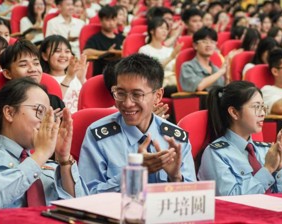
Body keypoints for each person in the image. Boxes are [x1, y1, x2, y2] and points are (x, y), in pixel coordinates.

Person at [0, 77, 88, 208]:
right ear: (10, 113)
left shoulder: (49, 163)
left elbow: (84, 208)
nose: (46, 121)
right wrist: (40, 155)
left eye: (48, 115)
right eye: (39, 111)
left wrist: (64, 160)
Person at [79, 53, 196, 194]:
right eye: (120, 93)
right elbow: (86, 195)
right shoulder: (98, 136)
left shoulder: (176, 139)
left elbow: (191, 198)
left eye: (137, 94)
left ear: (157, 96)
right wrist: (133, 173)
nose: (127, 103)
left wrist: (176, 178)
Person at [197, 81, 282, 196]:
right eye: (256, 107)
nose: (262, 113)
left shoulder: (266, 151)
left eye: (263, 107)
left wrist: (279, 167)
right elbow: (231, 201)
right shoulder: (216, 154)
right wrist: (267, 169)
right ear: (234, 112)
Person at [0, 40, 65, 111]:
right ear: (8, 74)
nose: (33, 69)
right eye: (23, 65)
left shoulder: (55, 102)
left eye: (36, 63)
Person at [39, 35, 87, 113]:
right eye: (57, 51)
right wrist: (68, 77)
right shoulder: (43, 80)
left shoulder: (75, 75)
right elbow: (53, 104)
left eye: (67, 51)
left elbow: (87, 100)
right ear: (45, 56)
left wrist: (82, 79)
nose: (63, 55)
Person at [138, 17, 182, 96]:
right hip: (156, 84)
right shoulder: (144, 50)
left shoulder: (170, 50)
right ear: (151, 31)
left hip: (172, 81)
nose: (165, 31)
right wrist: (171, 57)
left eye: (166, 28)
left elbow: (174, 69)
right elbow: (150, 72)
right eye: (161, 28)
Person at [180, 27, 228, 92]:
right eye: (205, 42)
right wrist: (221, 72)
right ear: (195, 45)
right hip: (199, 101)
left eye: (212, 42)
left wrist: (227, 78)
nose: (209, 45)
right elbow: (199, 86)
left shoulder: (216, 69)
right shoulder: (187, 67)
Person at [83, 5, 124, 77]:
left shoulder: (122, 38)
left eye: (113, 19)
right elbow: (86, 52)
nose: (111, 23)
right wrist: (107, 53)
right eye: (108, 20)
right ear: (101, 21)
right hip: (101, 74)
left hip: (121, 73)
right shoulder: (95, 39)